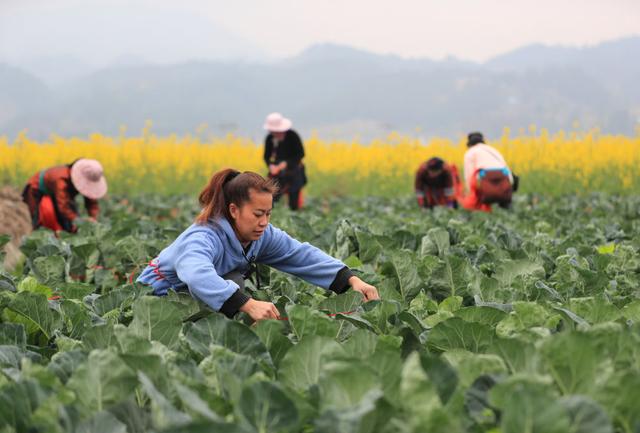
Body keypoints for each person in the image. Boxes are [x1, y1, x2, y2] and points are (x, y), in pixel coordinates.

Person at [136, 169, 379, 322]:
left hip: (191, 299)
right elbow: (196, 274)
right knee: (235, 286)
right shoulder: (204, 236)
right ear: (234, 210)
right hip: (152, 302)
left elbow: (300, 254)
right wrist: (248, 304)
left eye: (268, 214)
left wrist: (352, 280)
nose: (264, 222)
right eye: (257, 214)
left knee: (234, 283)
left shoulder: (261, 235)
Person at [22, 159, 108, 233]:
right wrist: (79, 221)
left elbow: (91, 201)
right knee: (37, 221)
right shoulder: (61, 181)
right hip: (35, 190)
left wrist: (93, 218)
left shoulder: (88, 174)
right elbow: (63, 207)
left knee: (70, 223)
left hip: (57, 193)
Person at [263, 112, 307, 210]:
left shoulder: (293, 136)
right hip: (276, 173)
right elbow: (266, 157)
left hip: (294, 171)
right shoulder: (270, 138)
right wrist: (270, 166)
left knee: (294, 200)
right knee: (272, 197)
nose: (274, 132)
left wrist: (286, 164)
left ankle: (294, 216)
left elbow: (300, 154)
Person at [461, 132, 513, 212]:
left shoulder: (470, 152)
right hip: (503, 180)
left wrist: (469, 192)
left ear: (469, 144)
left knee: (473, 204)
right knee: (505, 209)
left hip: (485, 180)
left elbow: (469, 175)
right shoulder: (493, 150)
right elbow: (506, 167)